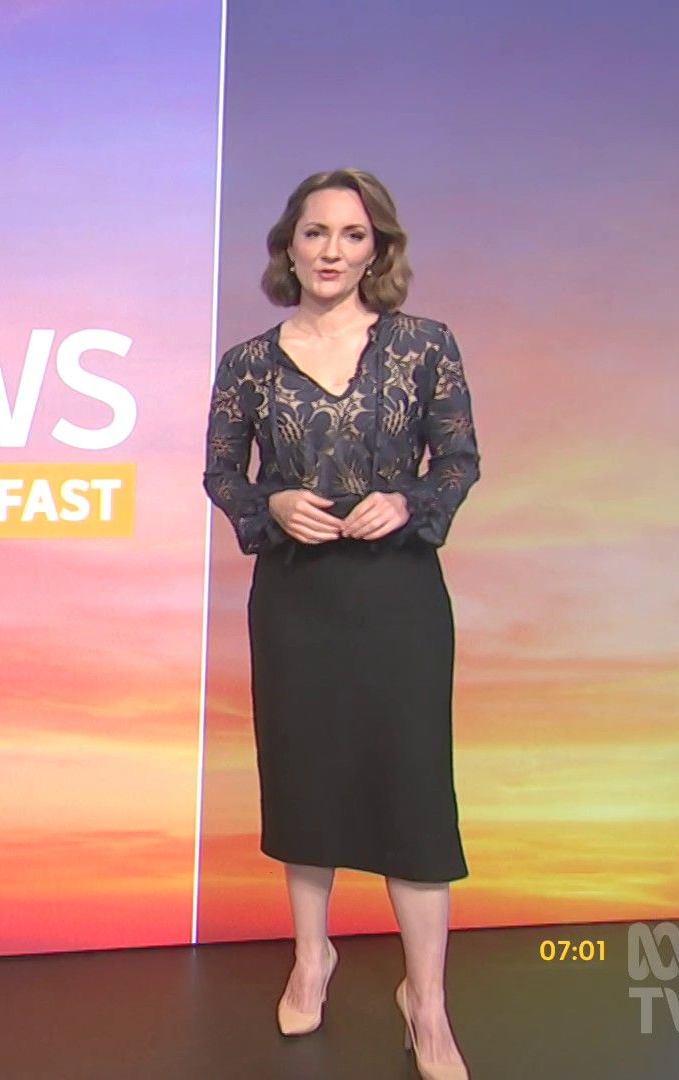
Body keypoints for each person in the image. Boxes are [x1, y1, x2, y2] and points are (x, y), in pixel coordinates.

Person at [203, 168, 478, 1080]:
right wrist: (271, 504)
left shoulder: (425, 346)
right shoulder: (248, 362)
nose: (331, 251)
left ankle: (425, 1003)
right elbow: (222, 474)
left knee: (413, 789)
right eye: (316, 232)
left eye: (352, 235)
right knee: (307, 780)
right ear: (290, 245)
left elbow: (458, 460)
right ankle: (312, 957)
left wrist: (408, 503)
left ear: (377, 250)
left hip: (397, 597)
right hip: (297, 600)